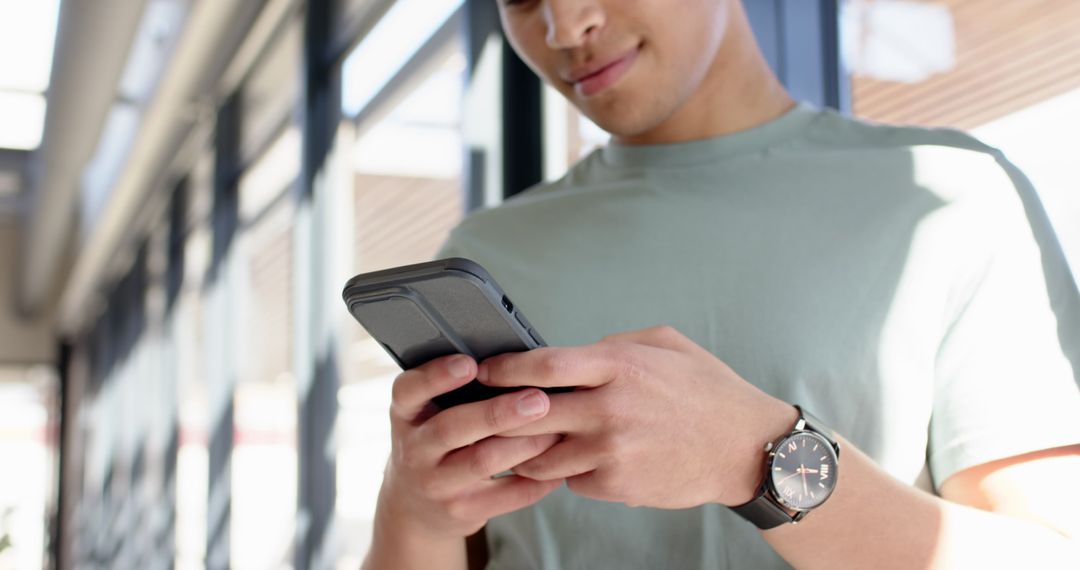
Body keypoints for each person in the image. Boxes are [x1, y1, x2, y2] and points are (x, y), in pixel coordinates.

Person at [362, 0, 1080, 568]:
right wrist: (413, 511)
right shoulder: (485, 253)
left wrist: (753, 457)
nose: (564, 25)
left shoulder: (956, 197)